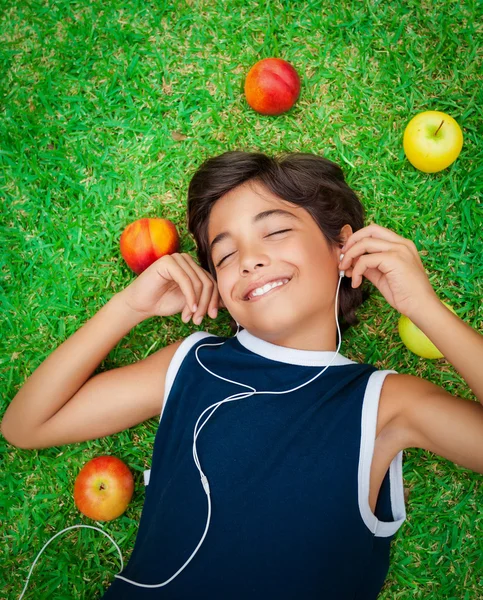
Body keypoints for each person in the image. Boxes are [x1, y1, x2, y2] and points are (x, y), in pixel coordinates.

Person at [2, 151, 483, 599]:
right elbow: (25, 425)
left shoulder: (383, 403)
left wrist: (425, 307)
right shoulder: (191, 363)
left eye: (274, 232)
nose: (249, 259)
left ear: (344, 246)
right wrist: (129, 306)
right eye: (225, 255)